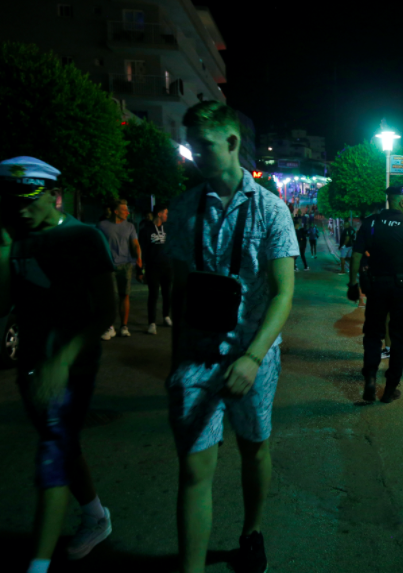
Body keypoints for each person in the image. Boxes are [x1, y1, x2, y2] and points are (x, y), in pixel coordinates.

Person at [165, 101, 298, 573]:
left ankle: (251, 531)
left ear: (233, 143)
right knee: (195, 468)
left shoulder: (271, 210)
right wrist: (175, 361)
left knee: (253, 447)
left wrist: (254, 357)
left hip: (251, 355)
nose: (196, 155)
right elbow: (181, 293)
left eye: (204, 146)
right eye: (192, 146)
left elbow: (284, 293)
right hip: (198, 357)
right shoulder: (183, 210)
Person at [0, 157, 116, 573]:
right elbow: (3, 303)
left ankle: (38, 564)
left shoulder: (84, 237)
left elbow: (105, 312)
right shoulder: (19, 238)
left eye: (29, 197)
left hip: (71, 369)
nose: (21, 207)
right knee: (65, 449)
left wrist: (62, 362)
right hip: (31, 366)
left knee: (51, 455)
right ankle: (96, 516)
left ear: (54, 194)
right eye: (12, 199)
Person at [348, 186, 403, 403]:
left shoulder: (371, 223)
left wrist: (353, 283)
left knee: (373, 334)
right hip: (401, 289)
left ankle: (369, 378)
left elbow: (356, 255)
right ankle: (390, 388)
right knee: (399, 338)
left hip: (376, 287)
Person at [97, 199, 142, 339]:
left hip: (125, 265)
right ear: (116, 211)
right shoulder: (101, 226)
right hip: (108, 265)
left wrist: (139, 258)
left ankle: (124, 326)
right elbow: (97, 245)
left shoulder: (129, 226)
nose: (128, 212)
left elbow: (135, 244)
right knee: (110, 297)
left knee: (124, 295)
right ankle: (109, 327)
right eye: (124, 210)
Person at [139, 204, 173, 335]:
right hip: (153, 267)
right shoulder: (146, 230)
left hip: (168, 266)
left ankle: (166, 316)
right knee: (153, 295)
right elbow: (142, 250)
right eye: (165, 213)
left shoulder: (168, 229)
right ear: (159, 214)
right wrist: (141, 269)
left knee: (167, 293)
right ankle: (151, 323)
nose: (167, 216)